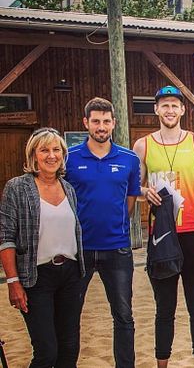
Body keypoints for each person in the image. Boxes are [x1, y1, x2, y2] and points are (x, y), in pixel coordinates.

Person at [133, 86, 194, 368]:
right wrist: (145, 192)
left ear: (182, 110)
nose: (169, 110)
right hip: (162, 235)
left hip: (193, 232)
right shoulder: (143, 145)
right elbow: (134, 187)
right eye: (164, 105)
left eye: (174, 105)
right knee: (164, 308)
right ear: (156, 109)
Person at [0, 128, 85, 367]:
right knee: (47, 352)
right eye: (44, 150)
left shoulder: (68, 188)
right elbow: (6, 237)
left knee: (69, 350)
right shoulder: (17, 187)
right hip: (36, 278)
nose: (51, 155)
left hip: (69, 274)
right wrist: (13, 281)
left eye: (56, 149)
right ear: (33, 155)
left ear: (63, 154)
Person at [65, 97, 141, 368]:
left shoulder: (129, 159)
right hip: (79, 250)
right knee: (70, 316)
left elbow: (130, 201)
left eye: (106, 121)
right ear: (86, 123)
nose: (101, 126)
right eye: (95, 121)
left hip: (117, 249)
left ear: (113, 123)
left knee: (123, 316)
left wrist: (116, 224)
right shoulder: (69, 158)